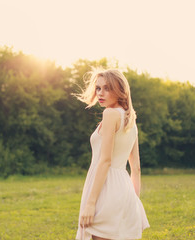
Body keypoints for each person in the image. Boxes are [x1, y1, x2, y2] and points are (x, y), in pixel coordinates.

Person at [75, 68, 150, 240]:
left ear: (120, 90)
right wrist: (134, 202)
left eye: (107, 88)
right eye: (98, 88)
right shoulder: (131, 119)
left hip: (105, 189)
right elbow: (136, 168)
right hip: (124, 190)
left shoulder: (110, 114)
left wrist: (91, 203)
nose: (100, 93)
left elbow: (105, 160)